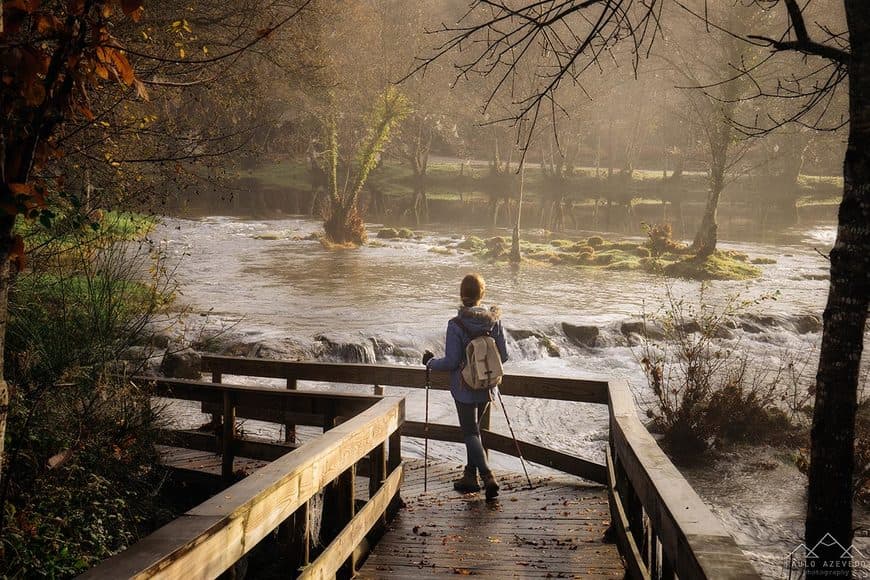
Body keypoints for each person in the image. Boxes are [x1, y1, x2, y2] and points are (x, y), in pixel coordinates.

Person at [423, 273, 508, 499]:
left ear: (461, 295)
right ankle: (470, 477)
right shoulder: (494, 321)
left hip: (464, 387)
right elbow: (505, 356)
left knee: (470, 432)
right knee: (476, 431)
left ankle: (488, 476)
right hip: (488, 384)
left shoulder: (456, 324)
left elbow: (451, 362)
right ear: (482, 294)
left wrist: (430, 362)